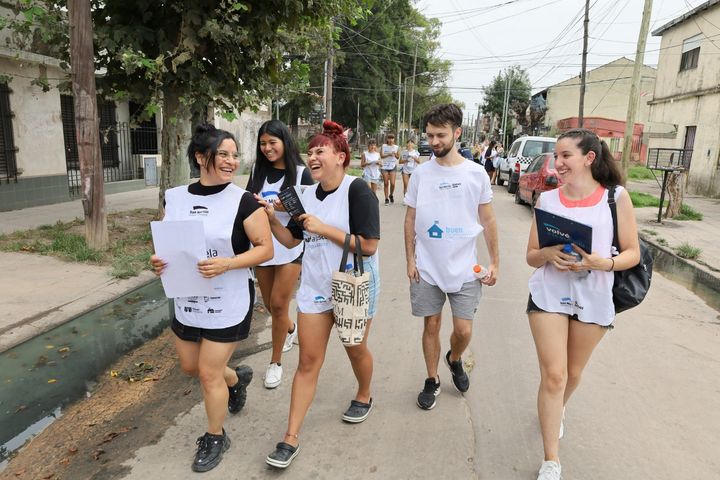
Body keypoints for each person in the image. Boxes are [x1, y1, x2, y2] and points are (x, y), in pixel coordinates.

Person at [150, 124, 273, 473]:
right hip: (187, 297)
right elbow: (164, 241)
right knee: (192, 367)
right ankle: (237, 379)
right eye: (223, 154)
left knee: (207, 373)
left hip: (228, 300)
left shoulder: (243, 201)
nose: (232, 161)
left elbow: (266, 249)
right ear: (201, 157)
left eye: (235, 155)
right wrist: (157, 260)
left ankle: (215, 435)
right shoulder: (175, 197)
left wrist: (229, 263)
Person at [259, 120, 381, 469]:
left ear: (341, 156)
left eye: (320, 151)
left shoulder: (357, 191)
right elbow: (293, 241)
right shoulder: (305, 195)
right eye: (309, 152)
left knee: (355, 350)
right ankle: (290, 438)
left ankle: (363, 393)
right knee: (308, 362)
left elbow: (369, 246)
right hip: (314, 289)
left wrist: (325, 228)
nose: (312, 157)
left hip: (353, 284)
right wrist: (272, 220)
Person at [525, 129, 640, 480]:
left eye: (565, 156)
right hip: (549, 294)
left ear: (589, 158)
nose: (557, 163)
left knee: (572, 374)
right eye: (556, 157)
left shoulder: (615, 198)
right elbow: (531, 256)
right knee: (555, 375)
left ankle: (557, 409)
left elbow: (632, 253)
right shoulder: (547, 201)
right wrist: (547, 253)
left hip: (593, 295)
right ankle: (551, 460)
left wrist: (601, 263)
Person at [403, 104, 499, 411]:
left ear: (457, 133)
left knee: (463, 330)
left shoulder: (476, 174)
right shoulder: (420, 174)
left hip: (465, 268)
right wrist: (410, 259)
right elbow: (410, 219)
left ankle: (454, 357)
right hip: (428, 266)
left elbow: (488, 220)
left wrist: (495, 261)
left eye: (440, 135)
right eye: (429, 135)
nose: (433, 141)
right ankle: (432, 380)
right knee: (431, 325)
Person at [246, 120, 314, 389]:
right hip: (262, 247)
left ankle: (275, 364)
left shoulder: (300, 173)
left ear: (285, 142)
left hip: (290, 247)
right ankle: (289, 329)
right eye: (263, 143)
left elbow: (309, 210)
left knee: (277, 305)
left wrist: (285, 204)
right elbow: (248, 202)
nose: (267, 148)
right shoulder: (257, 170)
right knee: (274, 307)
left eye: (272, 142)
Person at [380, 133, 400, 205]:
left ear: (394, 139)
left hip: (392, 166)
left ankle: (391, 195)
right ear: (387, 139)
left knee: (393, 183)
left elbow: (398, 157)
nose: (391, 140)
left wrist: (395, 154)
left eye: (392, 138)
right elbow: (381, 156)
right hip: (385, 166)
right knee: (386, 183)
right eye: (389, 138)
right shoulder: (383, 146)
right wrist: (388, 154)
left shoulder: (396, 147)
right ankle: (386, 199)